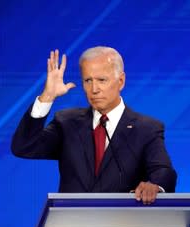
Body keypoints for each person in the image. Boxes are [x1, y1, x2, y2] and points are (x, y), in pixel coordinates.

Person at [11, 46, 177, 204]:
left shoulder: (146, 128)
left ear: (121, 81)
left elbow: (163, 171)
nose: (94, 89)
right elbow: (24, 147)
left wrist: (155, 186)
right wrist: (47, 96)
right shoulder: (67, 123)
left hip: (122, 226)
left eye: (102, 80)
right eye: (88, 80)